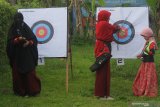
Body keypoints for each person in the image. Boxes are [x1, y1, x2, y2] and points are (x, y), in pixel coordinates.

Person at [6, 12, 41, 96]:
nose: (18, 21)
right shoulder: (12, 29)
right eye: (17, 19)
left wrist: (29, 42)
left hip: (27, 55)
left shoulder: (26, 28)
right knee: (17, 75)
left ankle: (32, 91)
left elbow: (34, 40)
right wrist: (17, 40)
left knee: (30, 74)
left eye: (20, 19)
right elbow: (9, 43)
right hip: (17, 56)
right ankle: (20, 91)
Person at [91, 10, 120, 100]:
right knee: (104, 70)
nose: (109, 18)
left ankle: (101, 93)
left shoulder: (99, 23)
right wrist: (118, 27)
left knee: (101, 69)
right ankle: (102, 94)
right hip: (104, 47)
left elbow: (110, 31)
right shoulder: (105, 24)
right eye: (108, 16)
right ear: (104, 16)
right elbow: (115, 28)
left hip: (101, 47)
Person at [132, 27, 158, 97]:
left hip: (149, 63)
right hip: (145, 62)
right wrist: (141, 55)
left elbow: (152, 52)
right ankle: (142, 89)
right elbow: (145, 51)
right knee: (143, 76)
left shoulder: (152, 43)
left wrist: (144, 54)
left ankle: (147, 91)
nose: (143, 37)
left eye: (144, 36)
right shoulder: (148, 42)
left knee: (148, 77)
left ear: (148, 35)